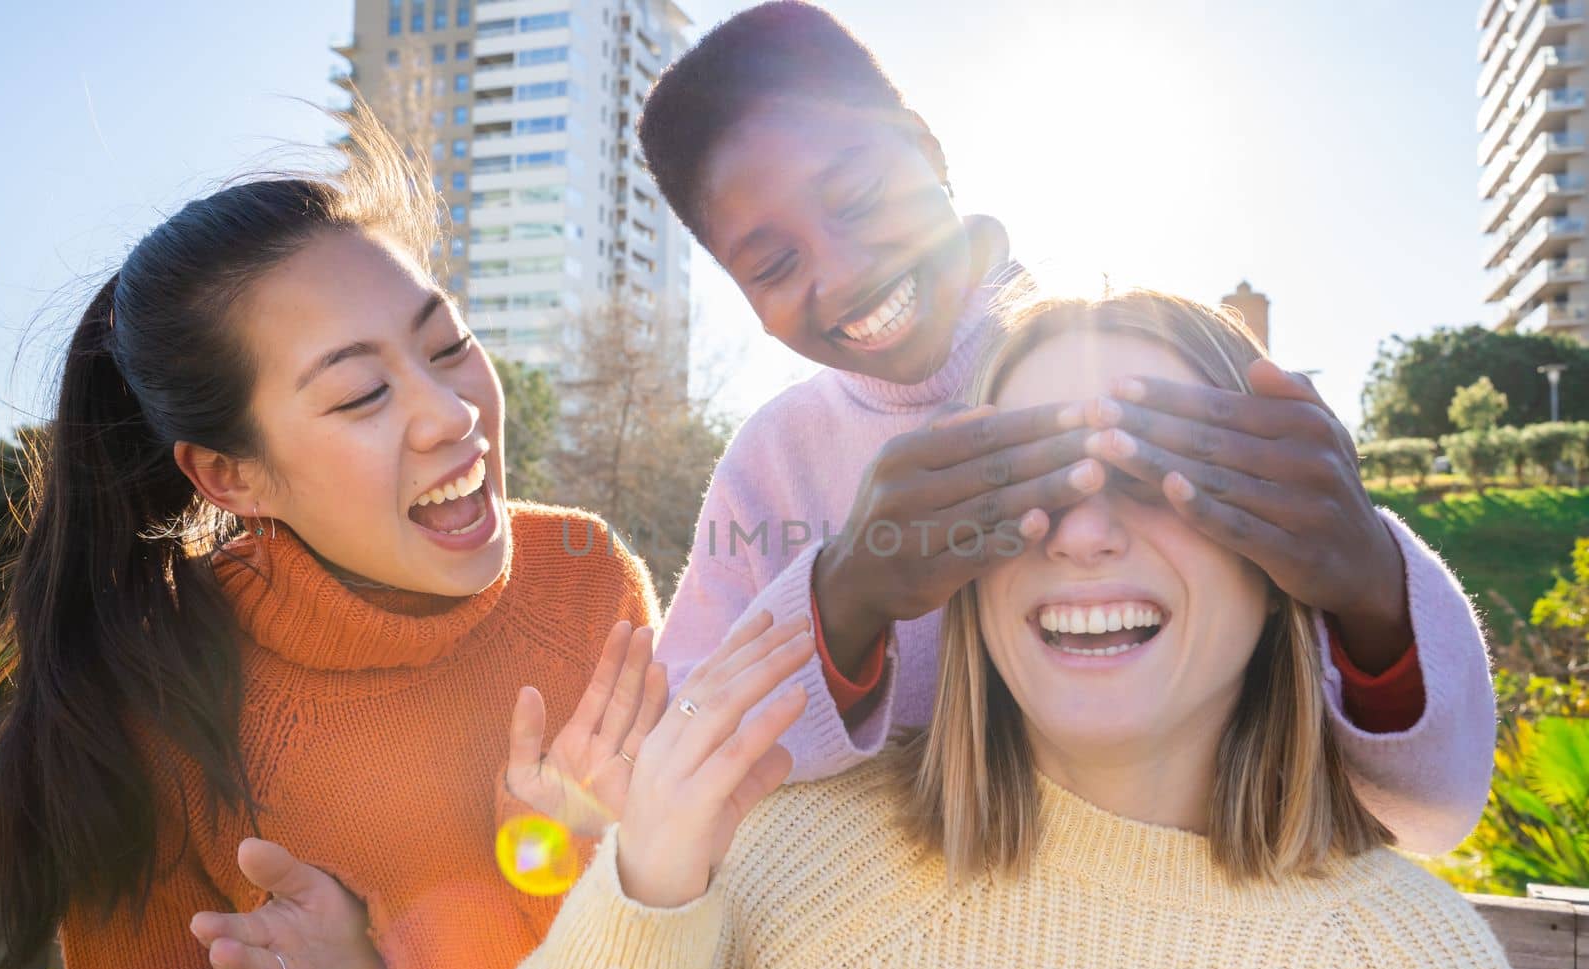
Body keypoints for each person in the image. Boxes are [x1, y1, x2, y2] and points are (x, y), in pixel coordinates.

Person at [479, 290, 1544, 969]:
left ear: (1284, 561)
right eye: (1022, 482)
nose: (1081, 534)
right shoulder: (778, 870)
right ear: (959, 564)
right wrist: (646, 895)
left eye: (1158, 475)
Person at [641, 1, 1495, 855]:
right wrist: (846, 599)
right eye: (774, 265)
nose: (843, 273)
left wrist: (1373, 596)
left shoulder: (1140, 351)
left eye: (859, 199)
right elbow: (672, 751)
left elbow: (1432, 806)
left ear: (927, 149)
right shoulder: (772, 459)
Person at [0, 109, 664, 969]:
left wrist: (586, 870)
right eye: (360, 395)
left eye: (447, 345)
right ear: (232, 476)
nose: (450, 412)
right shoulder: (159, 697)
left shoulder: (585, 586)